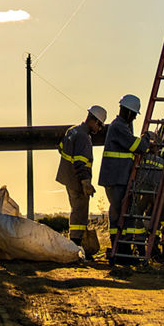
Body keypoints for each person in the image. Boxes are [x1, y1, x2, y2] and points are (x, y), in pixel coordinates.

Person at [98, 94, 157, 246]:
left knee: (125, 210)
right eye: (134, 115)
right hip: (115, 177)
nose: (135, 119)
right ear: (129, 112)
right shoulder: (118, 127)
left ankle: (123, 244)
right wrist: (147, 137)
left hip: (120, 176)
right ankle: (118, 245)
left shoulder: (124, 126)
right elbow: (138, 146)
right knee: (118, 211)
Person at [55, 105, 107, 251]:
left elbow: (60, 148)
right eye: (100, 126)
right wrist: (85, 183)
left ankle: (75, 244)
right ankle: (76, 246)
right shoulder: (84, 137)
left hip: (67, 177)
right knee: (80, 212)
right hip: (77, 180)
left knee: (75, 210)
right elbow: (80, 162)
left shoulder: (72, 130)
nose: (100, 129)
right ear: (94, 121)